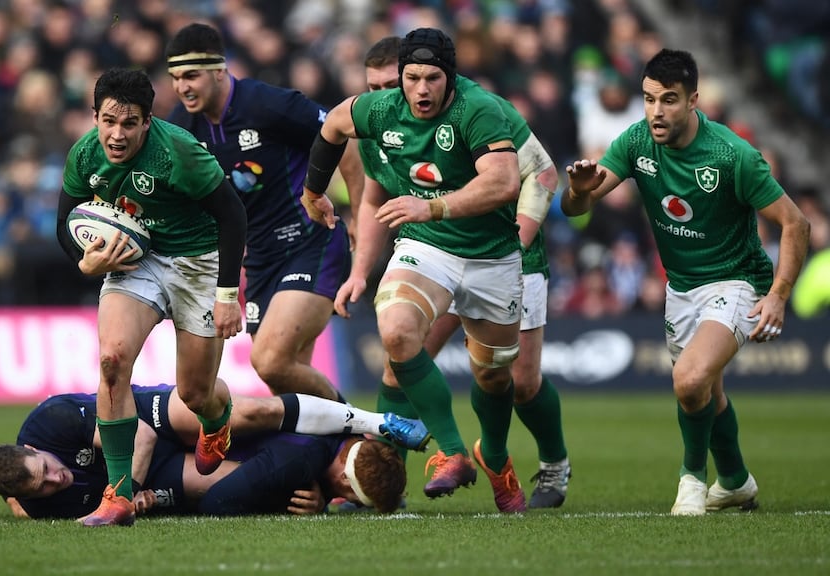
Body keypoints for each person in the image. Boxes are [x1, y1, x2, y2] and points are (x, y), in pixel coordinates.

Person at [561, 48, 810, 516]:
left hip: (736, 283)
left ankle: (691, 480)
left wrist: (778, 294)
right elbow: (578, 209)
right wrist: (578, 189)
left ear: (693, 100)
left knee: (690, 378)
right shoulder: (636, 142)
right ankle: (735, 481)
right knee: (705, 393)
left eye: (669, 100)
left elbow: (796, 224)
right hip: (681, 290)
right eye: (649, 99)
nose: (656, 111)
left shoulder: (733, 155)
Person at [301, 28, 526, 508]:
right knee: (398, 332)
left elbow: (505, 182)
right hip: (428, 247)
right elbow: (333, 126)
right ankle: (451, 451)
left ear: (451, 77)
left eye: (432, 78)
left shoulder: (478, 109)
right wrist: (312, 188)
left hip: (491, 254)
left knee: (495, 378)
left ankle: (497, 456)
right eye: (412, 78)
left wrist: (433, 207)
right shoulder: (381, 109)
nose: (421, 90)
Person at [357, 36, 571, 512]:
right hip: (436, 248)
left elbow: (541, 173)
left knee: (518, 381)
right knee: (399, 357)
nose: (400, 94)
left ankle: (542, 462)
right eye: (379, 87)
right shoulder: (382, 126)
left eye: (397, 82)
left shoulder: (482, 110)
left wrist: (518, 238)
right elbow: (373, 199)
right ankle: (386, 487)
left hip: (504, 249)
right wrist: (358, 270)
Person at [54, 67, 248, 526]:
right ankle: (118, 495)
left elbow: (233, 216)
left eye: (129, 124)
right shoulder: (84, 155)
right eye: (108, 121)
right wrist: (84, 262)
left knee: (195, 393)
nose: (116, 135)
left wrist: (226, 295)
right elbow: (65, 224)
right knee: (112, 361)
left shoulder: (178, 152)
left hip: (197, 262)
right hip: (137, 261)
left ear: (147, 121)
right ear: (95, 116)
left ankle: (217, 418)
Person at [165, 23, 360, 401]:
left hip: (310, 242)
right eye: (174, 78)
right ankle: (336, 456)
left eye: (191, 75)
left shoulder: (269, 104)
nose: (182, 87)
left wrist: (359, 218)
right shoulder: (179, 128)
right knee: (286, 382)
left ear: (220, 70)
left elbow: (342, 140)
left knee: (269, 361)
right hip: (258, 261)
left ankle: (360, 429)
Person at [0, 385, 416, 518]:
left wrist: (123, 491)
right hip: (145, 472)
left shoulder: (53, 423)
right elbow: (22, 489)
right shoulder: (36, 495)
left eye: (48, 471)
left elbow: (137, 435)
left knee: (239, 412)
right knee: (228, 486)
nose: (55, 481)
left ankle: (376, 421)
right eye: (43, 485)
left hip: (143, 417)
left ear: (37, 449)